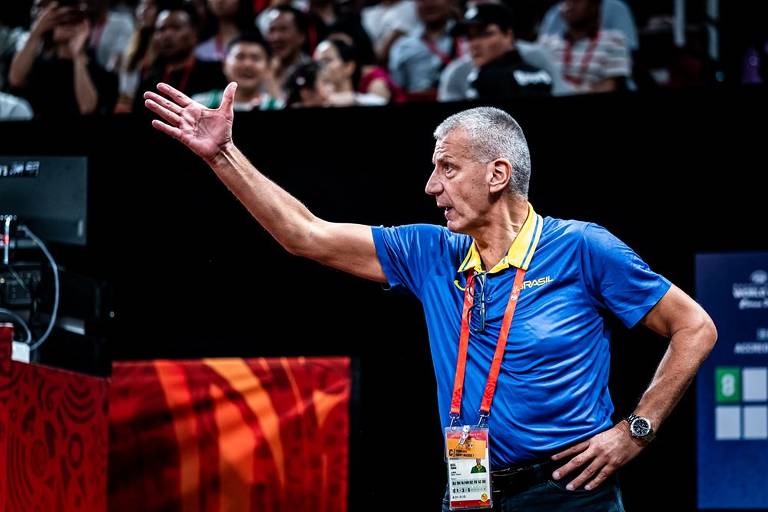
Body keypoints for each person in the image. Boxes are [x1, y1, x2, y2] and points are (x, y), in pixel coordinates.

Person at [143, 83, 717, 510]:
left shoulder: (583, 248)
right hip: (469, 488)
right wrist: (222, 156)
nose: (430, 186)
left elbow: (695, 326)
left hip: (569, 494)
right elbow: (305, 234)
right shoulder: (430, 252)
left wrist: (636, 430)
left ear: (496, 175)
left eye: (446, 168)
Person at [537, 0, 631, 94]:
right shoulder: (545, 43)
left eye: (577, 1)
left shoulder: (614, 40)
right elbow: (535, 80)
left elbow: (610, 85)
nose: (569, 4)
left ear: (594, 7)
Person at [192, 32, 282, 110]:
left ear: (268, 67)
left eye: (255, 58)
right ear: (224, 65)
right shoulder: (200, 105)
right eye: (240, 57)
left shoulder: (279, 108)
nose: (247, 64)